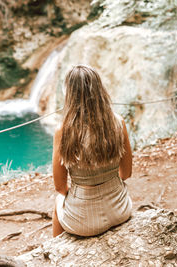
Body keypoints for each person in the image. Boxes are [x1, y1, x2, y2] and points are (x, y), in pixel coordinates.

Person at [52, 65, 133, 237]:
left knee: (57, 203)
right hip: (120, 211)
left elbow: (60, 187)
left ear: (69, 94)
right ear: (99, 90)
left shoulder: (63, 131)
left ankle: (55, 255)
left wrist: (80, 195)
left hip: (83, 222)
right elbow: (126, 174)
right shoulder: (118, 122)